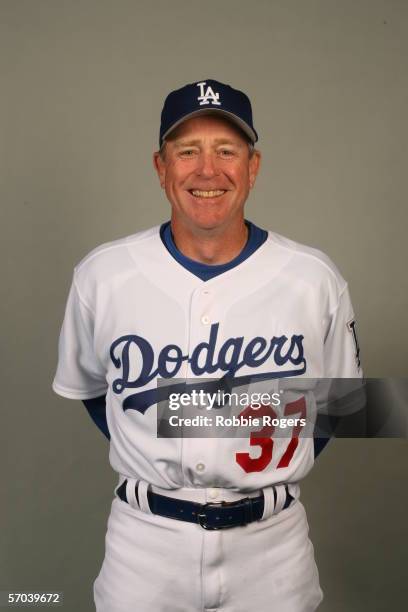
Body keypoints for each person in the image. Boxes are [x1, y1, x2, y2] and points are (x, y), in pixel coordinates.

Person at [53, 79, 363, 612]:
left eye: (226, 151)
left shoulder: (314, 278)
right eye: (187, 151)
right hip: (143, 548)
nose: (207, 170)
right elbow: (92, 392)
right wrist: (164, 434)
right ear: (160, 167)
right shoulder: (102, 275)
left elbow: (340, 407)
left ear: (253, 167)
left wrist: (241, 441)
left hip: (274, 551)